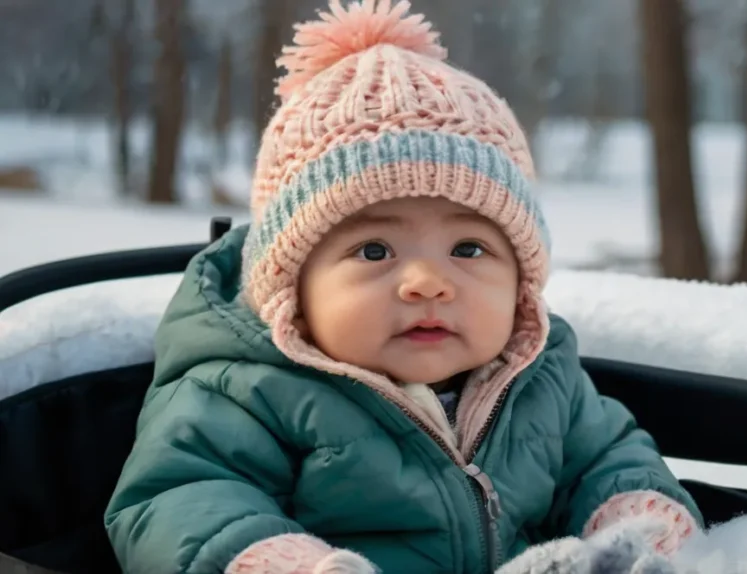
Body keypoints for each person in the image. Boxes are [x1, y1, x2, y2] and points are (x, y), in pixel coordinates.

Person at [103, 1, 702, 572]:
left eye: (469, 249)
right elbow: (178, 498)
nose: (428, 283)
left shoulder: (541, 375)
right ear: (290, 285)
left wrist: (632, 515)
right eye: (374, 251)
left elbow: (610, 457)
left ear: (520, 280)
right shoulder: (245, 389)